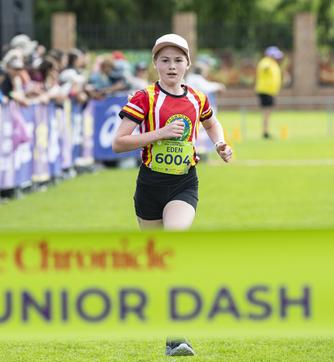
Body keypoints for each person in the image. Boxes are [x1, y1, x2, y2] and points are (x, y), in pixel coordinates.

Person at [112, 33, 232, 232]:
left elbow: (211, 124)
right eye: (165, 60)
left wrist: (220, 143)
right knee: (156, 252)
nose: (172, 66)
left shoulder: (198, 98)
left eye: (178, 60)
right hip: (150, 184)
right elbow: (118, 143)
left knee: (175, 234)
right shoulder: (144, 98)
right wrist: (161, 133)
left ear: (188, 64)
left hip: (184, 182)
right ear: (155, 64)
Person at [255, 46, 283, 139]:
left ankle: (266, 131)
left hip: (270, 92)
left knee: (268, 113)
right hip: (265, 91)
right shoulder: (266, 62)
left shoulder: (273, 63)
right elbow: (264, 68)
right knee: (266, 112)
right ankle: (265, 132)